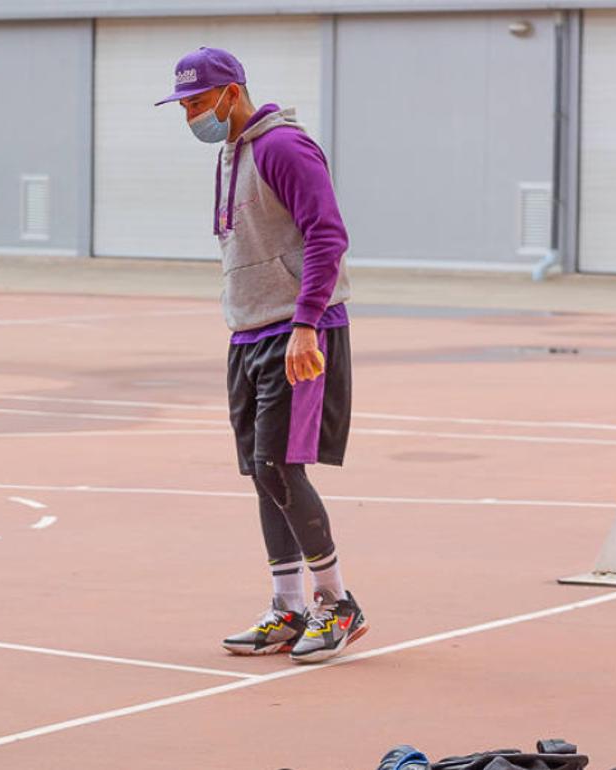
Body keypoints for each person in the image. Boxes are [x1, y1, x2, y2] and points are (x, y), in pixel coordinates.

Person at [155, 47, 367, 663]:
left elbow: (328, 233)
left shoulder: (282, 146)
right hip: (248, 333)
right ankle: (288, 605)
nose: (190, 115)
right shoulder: (233, 153)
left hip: (297, 331)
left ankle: (337, 603)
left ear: (231, 92)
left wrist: (305, 325)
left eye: (197, 102)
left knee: (279, 465)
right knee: (259, 469)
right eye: (183, 106)